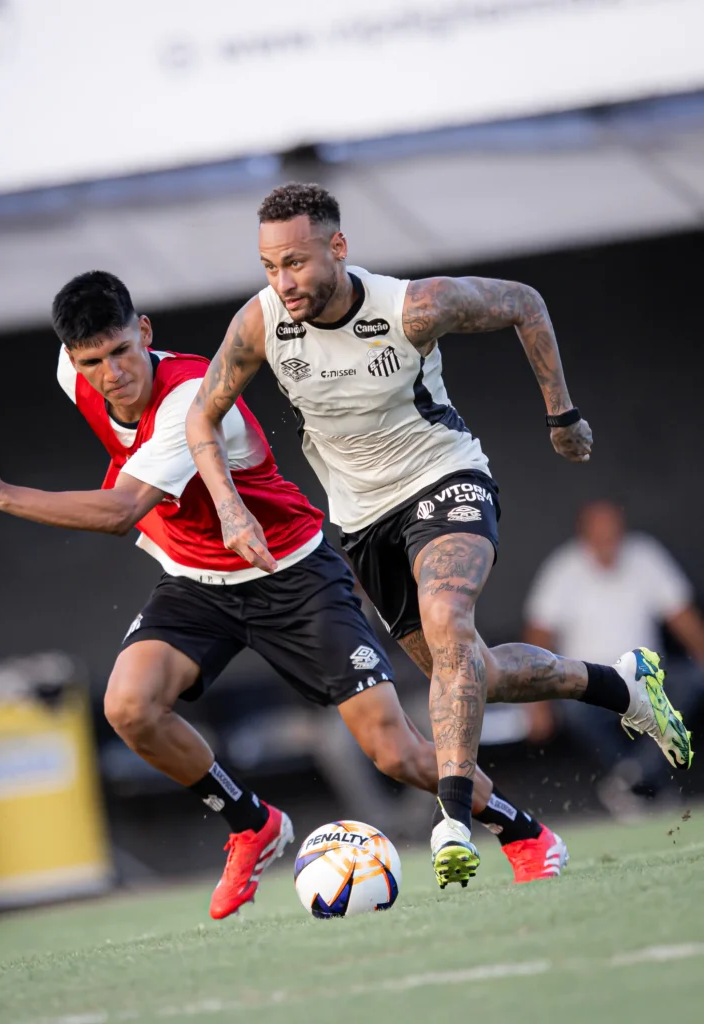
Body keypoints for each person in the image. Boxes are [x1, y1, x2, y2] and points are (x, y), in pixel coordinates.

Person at [0, 271, 573, 922]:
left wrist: (1, 494)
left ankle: (525, 833)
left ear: (145, 332)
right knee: (128, 706)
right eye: (91, 362)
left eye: (122, 351)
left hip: (291, 575)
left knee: (395, 751)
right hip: (196, 580)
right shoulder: (73, 374)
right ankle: (251, 823)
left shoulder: (188, 394)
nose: (111, 374)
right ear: (72, 359)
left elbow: (120, 510)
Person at [185, 182, 693, 889]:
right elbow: (202, 416)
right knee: (474, 671)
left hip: (443, 479)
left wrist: (561, 415)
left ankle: (453, 820)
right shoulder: (260, 323)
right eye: (270, 266)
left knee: (448, 620)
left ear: (338, 247)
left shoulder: (411, 307)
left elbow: (523, 302)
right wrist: (229, 507)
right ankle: (623, 685)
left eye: (295, 262)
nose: (283, 281)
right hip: (363, 524)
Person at [524, 499, 704, 817]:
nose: (608, 542)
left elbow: (682, 616)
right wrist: (535, 701)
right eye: (600, 534)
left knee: (692, 680)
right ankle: (642, 784)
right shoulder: (563, 568)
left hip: (647, 678)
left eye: (613, 533)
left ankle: (629, 779)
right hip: (588, 681)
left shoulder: (645, 556)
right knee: (572, 707)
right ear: (584, 535)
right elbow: (539, 634)